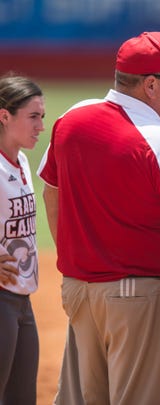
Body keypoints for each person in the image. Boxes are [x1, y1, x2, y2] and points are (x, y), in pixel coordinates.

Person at [37, 31, 160, 405]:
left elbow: (51, 190)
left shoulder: (73, 118)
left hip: (79, 290)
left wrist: (74, 260)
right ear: (150, 84)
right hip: (138, 295)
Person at [0, 74, 44, 405]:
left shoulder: (23, 161)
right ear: (4, 115)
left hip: (22, 298)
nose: (41, 125)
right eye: (33, 116)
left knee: (21, 396)